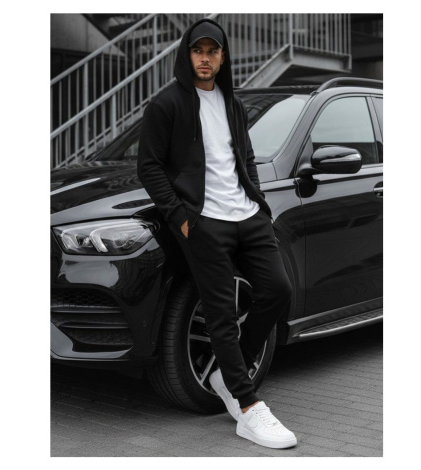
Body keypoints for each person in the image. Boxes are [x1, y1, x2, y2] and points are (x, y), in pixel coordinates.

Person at [137, 18, 297, 449]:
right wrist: (182, 217)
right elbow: (149, 165)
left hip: (247, 215)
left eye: (212, 51)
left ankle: (230, 373)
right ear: (187, 54)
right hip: (204, 222)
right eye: (198, 50)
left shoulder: (233, 103)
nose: (205, 58)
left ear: (223, 57)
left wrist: (259, 203)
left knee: (277, 290)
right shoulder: (167, 104)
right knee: (221, 311)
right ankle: (247, 407)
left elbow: (245, 156)